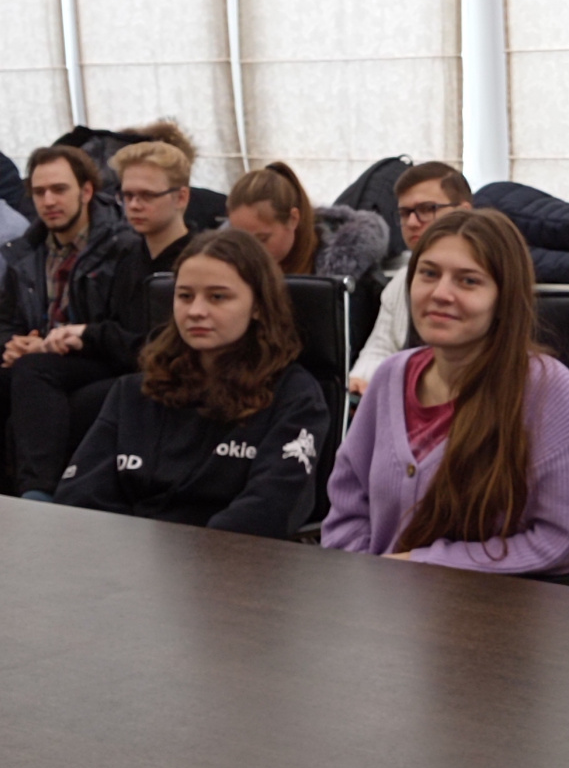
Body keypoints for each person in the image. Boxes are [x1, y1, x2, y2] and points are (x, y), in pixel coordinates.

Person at [321, 208, 569, 575]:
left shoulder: (548, 391)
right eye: (429, 274)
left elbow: (559, 542)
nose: (440, 294)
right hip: (376, 599)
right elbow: (346, 511)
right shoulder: (389, 377)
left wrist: (421, 564)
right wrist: (367, 578)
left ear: (503, 298)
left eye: (468, 281)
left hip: (489, 606)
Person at [55, 229, 329, 537]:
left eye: (218, 297)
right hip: (122, 557)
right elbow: (78, 496)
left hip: (231, 560)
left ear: (258, 306)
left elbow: (269, 511)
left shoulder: (295, 397)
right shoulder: (134, 390)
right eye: (185, 296)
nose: (196, 311)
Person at [10, 139, 196, 501]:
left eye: (146, 195)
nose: (134, 205)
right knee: (28, 372)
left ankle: (42, 493)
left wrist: (88, 334)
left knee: (58, 392)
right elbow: (116, 328)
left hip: (165, 371)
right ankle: (34, 492)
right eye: (128, 195)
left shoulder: (193, 260)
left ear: (181, 198)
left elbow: (159, 344)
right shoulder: (130, 256)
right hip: (123, 361)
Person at [0, 146, 133, 481]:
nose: (48, 201)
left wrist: (50, 345)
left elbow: (122, 330)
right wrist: (12, 344)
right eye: (39, 192)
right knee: (23, 369)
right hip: (38, 359)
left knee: (33, 371)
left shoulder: (121, 246)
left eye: (59, 189)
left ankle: (37, 492)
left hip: (94, 358)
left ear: (86, 191)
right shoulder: (27, 251)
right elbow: (6, 320)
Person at [348, 162, 472, 394]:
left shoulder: (491, 276)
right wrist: (360, 380)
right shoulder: (402, 281)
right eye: (405, 213)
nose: (413, 222)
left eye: (427, 209)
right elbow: (381, 347)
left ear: (463, 211)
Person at [226, 161, 387, 280]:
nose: (252, 252)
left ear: (293, 219)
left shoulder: (351, 272)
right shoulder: (226, 266)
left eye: (262, 239)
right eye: (241, 241)